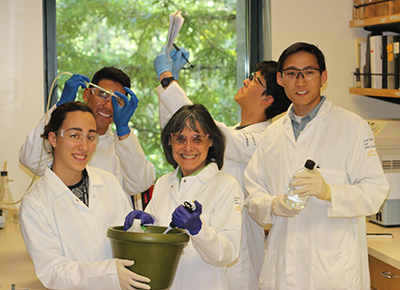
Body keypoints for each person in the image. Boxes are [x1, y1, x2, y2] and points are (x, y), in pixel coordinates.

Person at [244, 42, 389, 290]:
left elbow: (375, 192)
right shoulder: (273, 134)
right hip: (282, 271)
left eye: (309, 72)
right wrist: (273, 204)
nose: (300, 82)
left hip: (331, 273)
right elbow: (252, 196)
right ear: (280, 79)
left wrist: (330, 192)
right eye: (292, 74)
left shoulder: (352, 127)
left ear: (323, 76)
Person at [153, 46, 291, 290]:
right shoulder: (238, 132)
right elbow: (178, 128)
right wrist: (167, 87)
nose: (246, 81)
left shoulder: (264, 138)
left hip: (237, 256)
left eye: (254, 79)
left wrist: (168, 79)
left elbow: (202, 127)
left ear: (267, 98)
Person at [19, 102, 151, 290]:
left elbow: (128, 243)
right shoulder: (35, 203)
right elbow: (53, 272)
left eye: (91, 137)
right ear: (53, 139)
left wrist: (140, 229)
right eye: (74, 135)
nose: (84, 146)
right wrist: (109, 274)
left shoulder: (109, 182)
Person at [124, 104, 243, 290]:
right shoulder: (164, 182)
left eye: (197, 139)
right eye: (181, 139)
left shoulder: (226, 185)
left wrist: (198, 230)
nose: (188, 147)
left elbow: (228, 253)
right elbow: (156, 239)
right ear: (170, 140)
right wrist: (143, 225)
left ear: (210, 141)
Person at [19, 67, 155, 208]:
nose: (108, 105)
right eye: (103, 95)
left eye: (117, 101)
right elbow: (31, 159)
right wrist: (59, 109)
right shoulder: (65, 141)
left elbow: (139, 184)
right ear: (86, 95)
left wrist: (123, 130)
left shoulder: (122, 146)